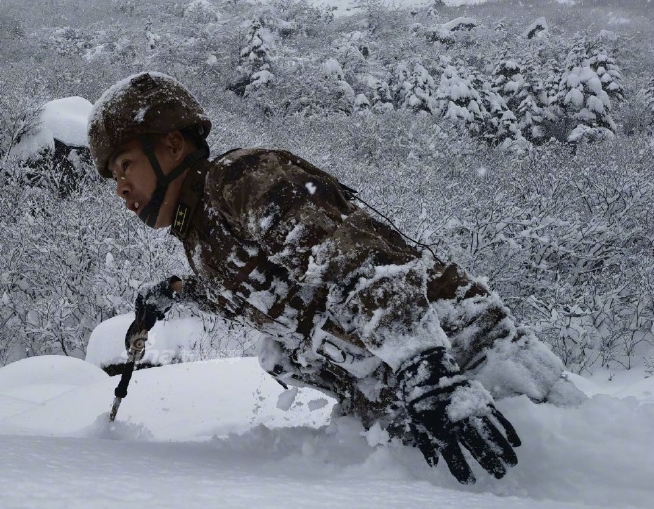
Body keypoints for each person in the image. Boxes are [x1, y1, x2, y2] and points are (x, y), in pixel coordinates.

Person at [87, 72, 583, 484]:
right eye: (113, 177)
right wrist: (175, 293)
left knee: (587, 482)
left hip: (467, 360)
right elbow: (266, 295)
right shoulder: (200, 233)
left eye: (126, 164)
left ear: (172, 146)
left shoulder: (239, 179)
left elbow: (359, 261)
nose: (121, 188)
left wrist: (422, 365)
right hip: (416, 400)